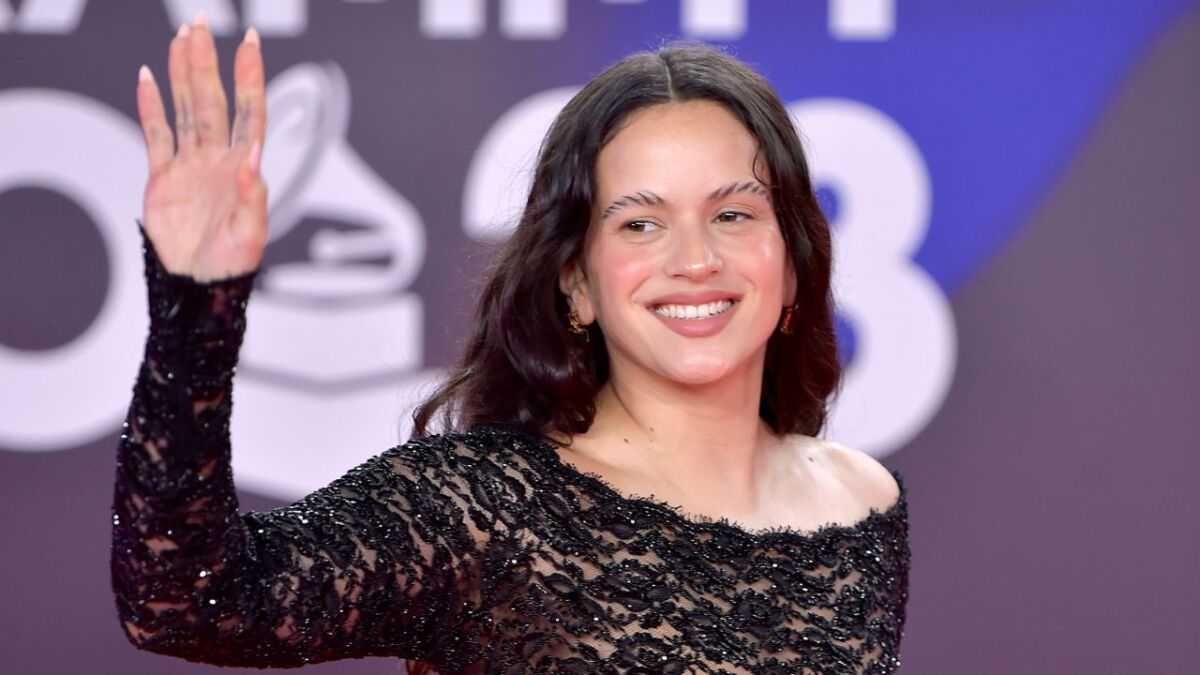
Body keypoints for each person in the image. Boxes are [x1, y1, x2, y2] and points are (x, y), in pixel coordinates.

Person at [112, 11, 910, 674]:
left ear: (793, 262)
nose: (695, 259)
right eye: (640, 223)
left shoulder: (862, 502)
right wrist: (196, 304)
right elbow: (183, 598)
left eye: (733, 214)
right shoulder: (480, 509)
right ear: (576, 282)